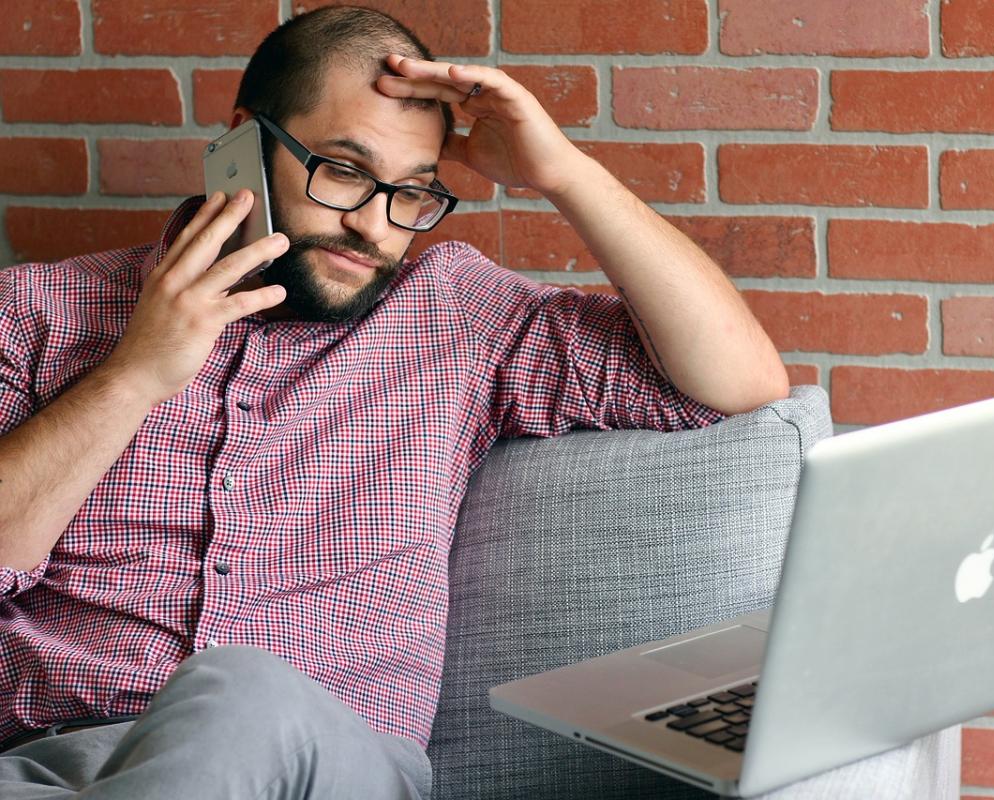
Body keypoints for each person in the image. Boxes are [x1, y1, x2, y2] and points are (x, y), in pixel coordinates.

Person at [0, 5, 788, 798]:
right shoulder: (35, 313)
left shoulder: (456, 318)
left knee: (238, 692)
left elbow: (737, 382)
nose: (374, 227)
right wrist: (133, 376)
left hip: (324, 767)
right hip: (43, 766)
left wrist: (563, 172)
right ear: (244, 142)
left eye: (411, 193)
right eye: (342, 171)